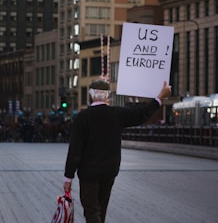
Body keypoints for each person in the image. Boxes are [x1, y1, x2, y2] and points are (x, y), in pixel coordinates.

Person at [63, 79, 172, 223]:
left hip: (89, 173)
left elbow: (75, 150)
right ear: (108, 96)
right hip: (109, 171)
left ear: (90, 94)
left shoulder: (82, 117)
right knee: (101, 210)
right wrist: (160, 97)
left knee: (92, 211)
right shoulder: (116, 114)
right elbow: (142, 114)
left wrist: (68, 177)